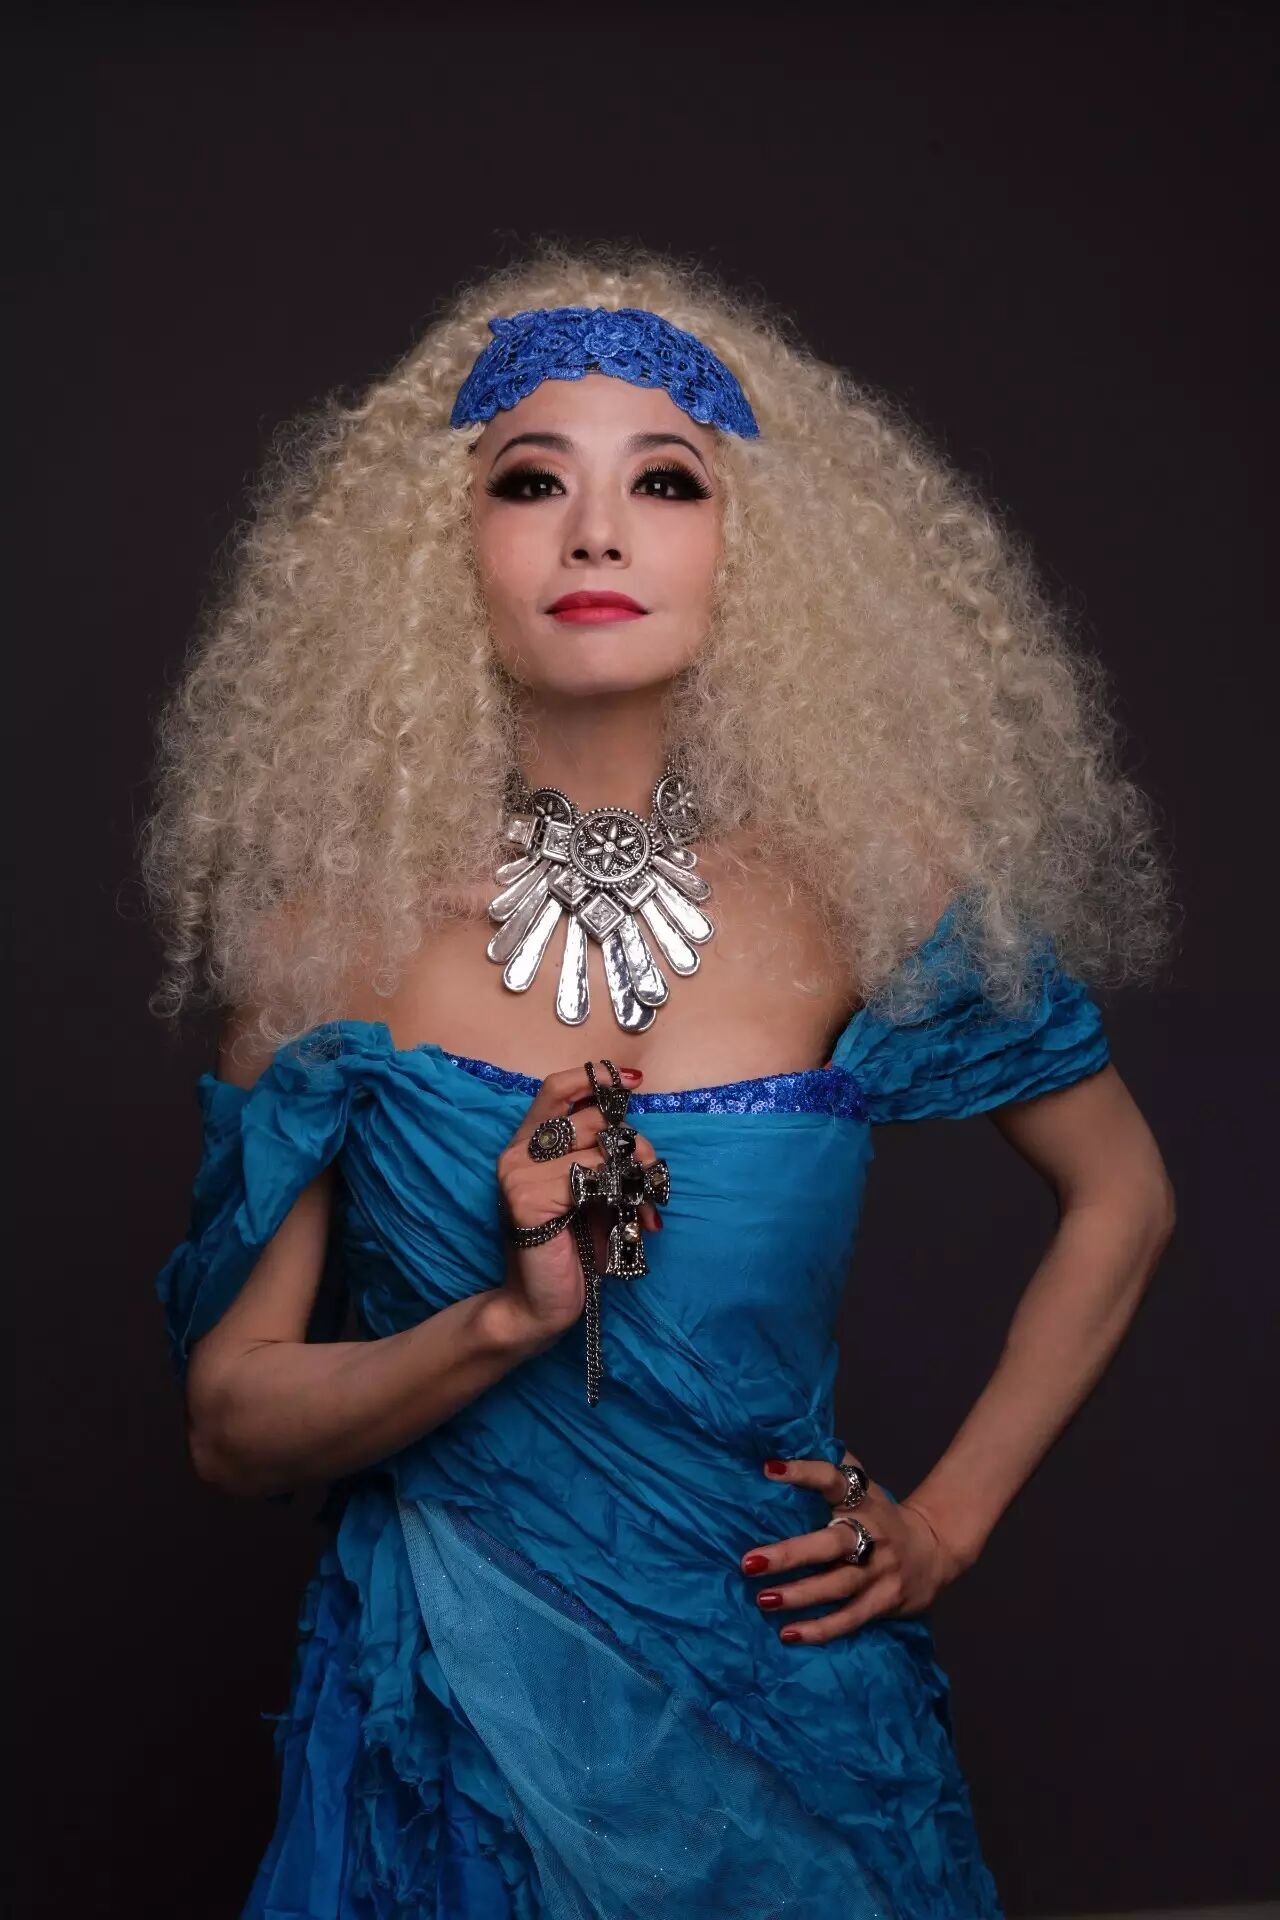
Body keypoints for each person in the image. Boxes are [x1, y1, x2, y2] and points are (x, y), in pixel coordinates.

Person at [142, 241, 1177, 1918]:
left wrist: (946, 1523)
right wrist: (503, 1321)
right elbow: (229, 1426)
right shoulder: (329, 939)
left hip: (791, 1729)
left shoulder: (866, 897)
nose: (598, 533)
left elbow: (1121, 1197)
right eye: (530, 479)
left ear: (749, 552)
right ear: (442, 551)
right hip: (446, 1753)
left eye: (668, 481)